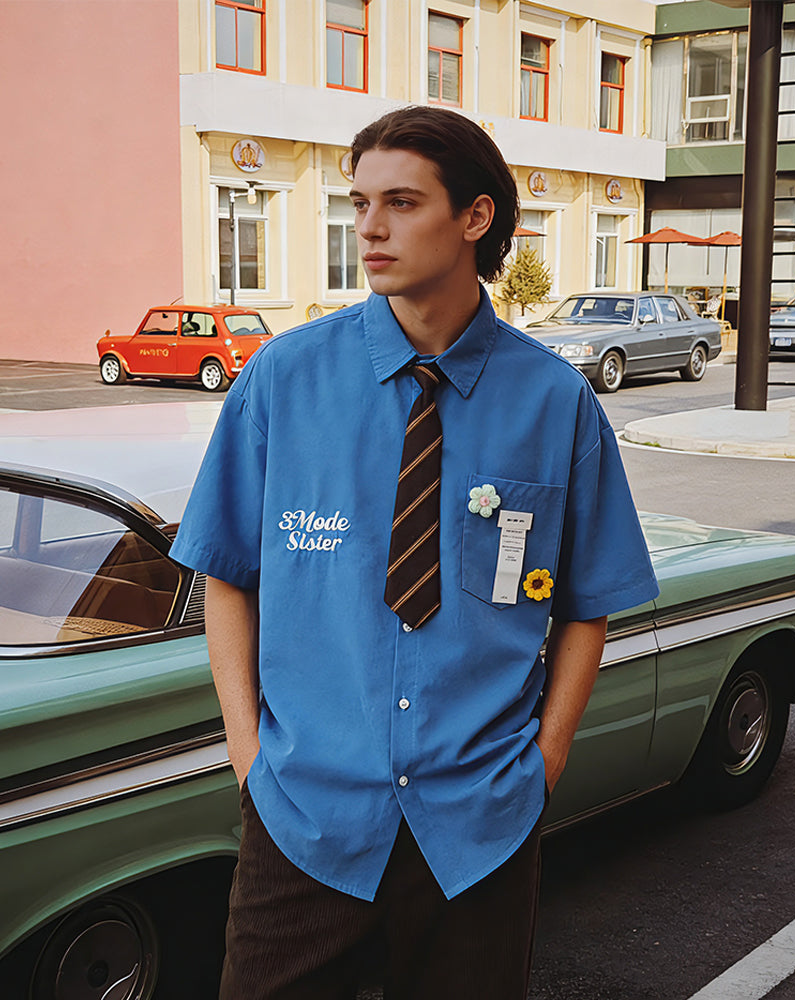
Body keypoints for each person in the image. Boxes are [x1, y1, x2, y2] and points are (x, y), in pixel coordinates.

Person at [170, 105, 658, 1000]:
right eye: (359, 203)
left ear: (476, 217)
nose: (369, 227)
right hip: (303, 819)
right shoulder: (283, 379)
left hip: (477, 830)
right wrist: (249, 760)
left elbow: (587, 603)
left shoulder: (556, 403)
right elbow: (228, 577)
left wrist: (543, 763)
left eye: (400, 201)